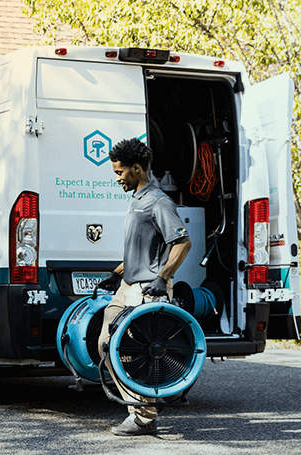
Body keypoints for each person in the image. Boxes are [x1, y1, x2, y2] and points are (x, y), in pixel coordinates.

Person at [97, 137, 192, 436]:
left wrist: (162, 277)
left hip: (148, 288)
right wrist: (117, 273)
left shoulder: (158, 201)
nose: (117, 178)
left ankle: (143, 416)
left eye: (120, 172)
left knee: (136, 351)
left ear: (136, 169)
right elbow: (143, 247)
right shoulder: (137, 199)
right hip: (128, 285)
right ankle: (141, 409)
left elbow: (182, 242)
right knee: (105, 344)